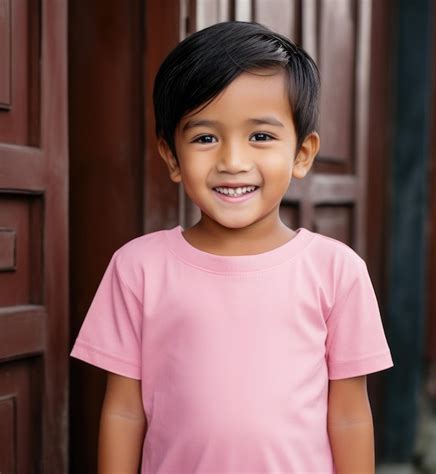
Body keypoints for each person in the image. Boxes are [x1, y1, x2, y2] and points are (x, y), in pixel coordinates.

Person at [71, 21, 393, 473]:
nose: (233, 162)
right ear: (171, 157)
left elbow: (350, 414)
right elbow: (124, 410)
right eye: (205, 138)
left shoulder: (337, 270)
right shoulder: (138, 267)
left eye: (260, 136)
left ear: (302, 153)